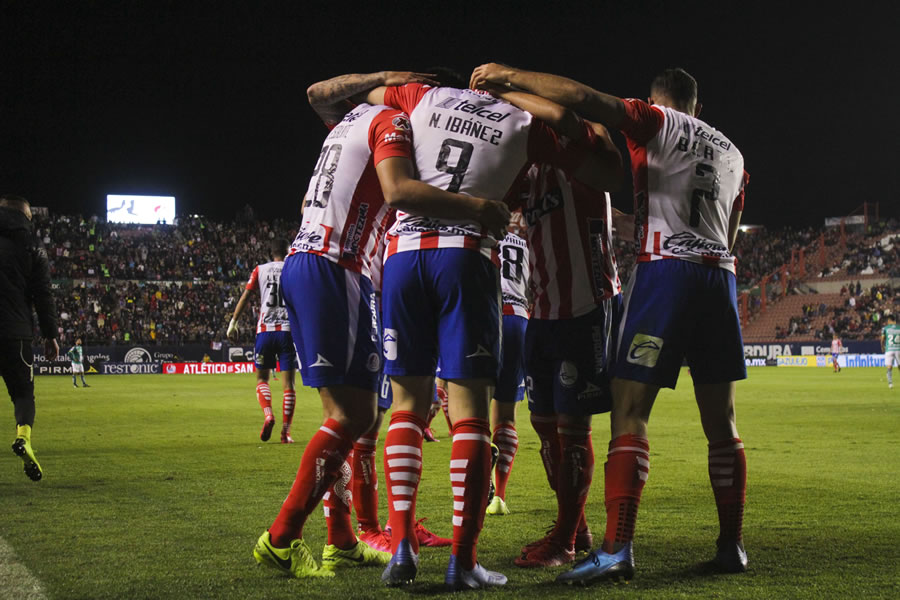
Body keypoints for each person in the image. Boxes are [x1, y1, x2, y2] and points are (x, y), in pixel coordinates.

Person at [312, 68, 609, 589]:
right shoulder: (524, 121)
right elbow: (569, 121)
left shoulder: (422, 95)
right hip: (466, 256)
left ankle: (401, 548)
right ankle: (463, 560)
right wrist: (510, 94)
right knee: (470, 413)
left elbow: (350, 96)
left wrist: (391, 78)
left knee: (406, 405)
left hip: (402, 256)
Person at [471, 64, 749, 582]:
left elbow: (580, 97)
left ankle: (619, 548)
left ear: (656, 99)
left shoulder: (656, 122)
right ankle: (731, 545)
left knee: (629, 410)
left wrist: (508, 77)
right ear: (700, 107)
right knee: (722, 422)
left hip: (667, 268)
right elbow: (731, 229)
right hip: (720, 276)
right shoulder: (732, 152)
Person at [253, 70, 510, 581]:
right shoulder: (392, 120)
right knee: (353, 417)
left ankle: (343, 538)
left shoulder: (348, 119)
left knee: (359, 417)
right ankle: (282, 537)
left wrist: (381, 77)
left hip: (316, 261)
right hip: (337, 263)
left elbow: (315, 93)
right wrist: (480, 208)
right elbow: (397, 190)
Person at [0, 195, 59, 482]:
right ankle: (23, 438)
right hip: (15, 333)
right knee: (23, 395)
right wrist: (51, 335)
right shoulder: (32, 245)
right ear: (26, 216)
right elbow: (43, 295)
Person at [227, 238, 297, 444]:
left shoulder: (260, 269)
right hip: (287, 331)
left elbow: (246, 296)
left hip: (265, 330)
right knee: (289, 386)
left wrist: (233, 322)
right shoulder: (293, 269)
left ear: (271, 253)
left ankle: (268, 414)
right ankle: (285, 433)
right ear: (287, 251)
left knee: (262, 379)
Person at [484, 214, 531, 518]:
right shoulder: (529, 241)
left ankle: (477, 486)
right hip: (519, 318)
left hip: (487, 313)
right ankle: (499, 496)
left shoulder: (483, 230)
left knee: (471, 410)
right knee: (507, 415)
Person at [882, 314, 899, 389]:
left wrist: (882, 347)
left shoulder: (885, 328)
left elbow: (882, 339)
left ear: (889, 320)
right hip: (898, 349)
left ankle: (890, 384)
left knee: (889, 367)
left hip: (889, 349)